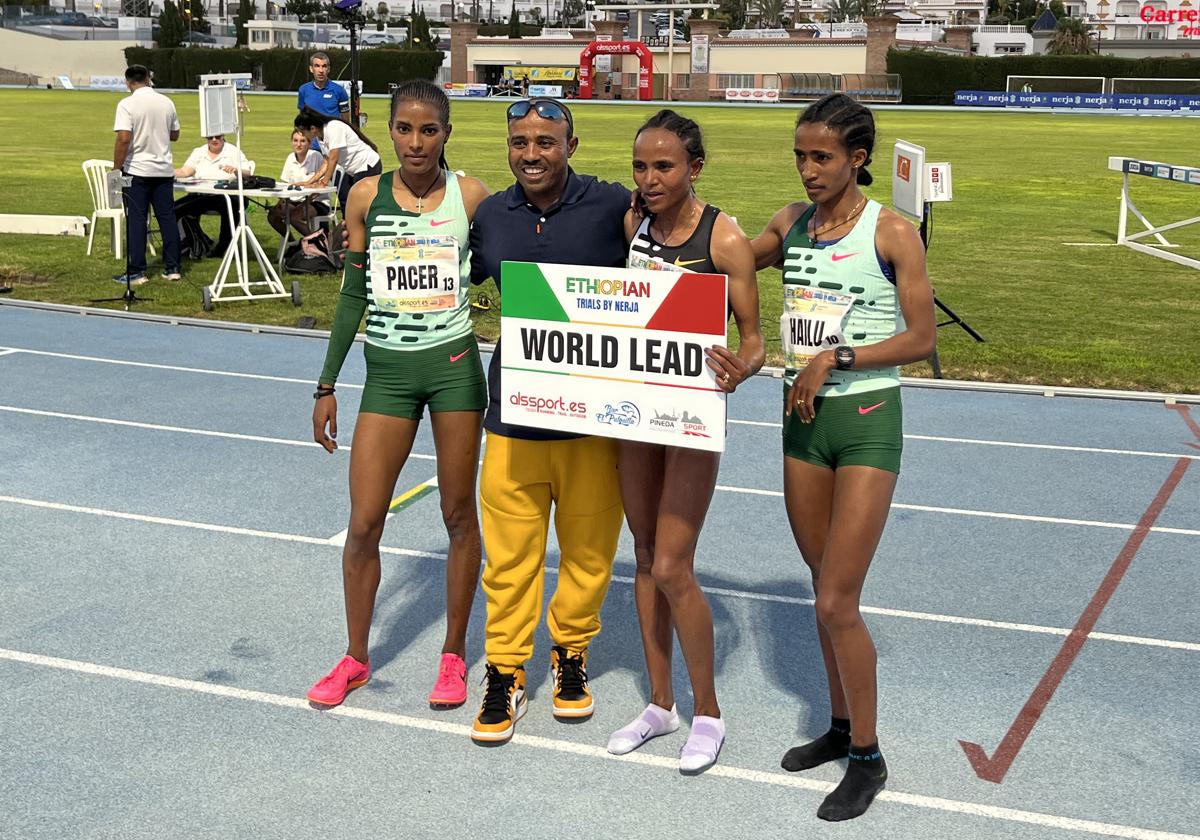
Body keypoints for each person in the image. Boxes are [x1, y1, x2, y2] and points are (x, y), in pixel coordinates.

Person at [750, 93, 936, 821]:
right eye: (800, 155)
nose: (807, 169)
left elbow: (921, 338)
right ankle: (836, 726)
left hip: (863, 421)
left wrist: (841, 355)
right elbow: (719, 258)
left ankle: (869, 756)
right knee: (817, 583)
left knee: (837, 599)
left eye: (821, 156)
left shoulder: (893, 232)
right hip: (801, 424)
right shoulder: (791, 224)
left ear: (857, 158)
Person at [307, 80, 492, 711]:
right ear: (389, 131)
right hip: (386, 374)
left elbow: (513, 271)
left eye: (429, 130)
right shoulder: (365, 196)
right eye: (405, 129)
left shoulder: (470, 196)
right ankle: (356, 656)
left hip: (455, 371)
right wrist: (327, 384)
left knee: (458, 515)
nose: (416, 142)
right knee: (363, 522)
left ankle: (453, 654)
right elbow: (353, 297)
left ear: (446, 133)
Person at [605, 110, 763, 774]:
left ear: (694, 168)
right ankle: (660, 705)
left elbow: (755, 339)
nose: (650, 178)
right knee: (642, 556)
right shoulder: (630, 224)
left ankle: (709, 713)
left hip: (691, 418)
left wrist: (742, 365)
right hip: (636, 410)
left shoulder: (725, 238)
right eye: (641, 166)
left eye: (664, 166)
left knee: (673, 566)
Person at [467, 98, 629, 745]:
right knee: (508, 562)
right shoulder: (490, 217)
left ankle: (570, 655)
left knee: (589, 556)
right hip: (513, 416)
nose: (532, 154)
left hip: (593, 421)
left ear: (572, 144)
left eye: (546, 142)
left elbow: (671, 252)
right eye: (520, 142)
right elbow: (454, 277)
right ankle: (505, 672)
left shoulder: (614, 206)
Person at [111, 64, 182, 285]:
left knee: (137, 220)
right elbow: (175, 134)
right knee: (167, 219)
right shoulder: (166, 102)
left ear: (128, 82)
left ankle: (137, 271)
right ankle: (173, 268)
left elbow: (123, 138)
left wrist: (116, 168)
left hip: (138, 170)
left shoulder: (127, 104)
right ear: (149, 79)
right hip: (163, 169)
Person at [172, 134, 256, 258]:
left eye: (218, 137)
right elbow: (185, 171)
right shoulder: (199, 152)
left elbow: (247, 173)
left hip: (227, 195)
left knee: (231, 207)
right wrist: (167, 172)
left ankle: (223, 247)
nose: (214, 140)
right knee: (173, 209)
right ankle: (188, 243)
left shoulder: (233, 151)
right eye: (210, 138)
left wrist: (236, 170)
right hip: (201, 195)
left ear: (223, 137)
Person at [295, 108, 382, 212]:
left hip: (367, 165)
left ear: (313, 128)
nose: (302, 135)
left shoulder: (333, 127)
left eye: (302, 132)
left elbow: (334, 158)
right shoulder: (320, 137)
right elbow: (326, 161)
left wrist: (323, 183)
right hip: (353, 170)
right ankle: (349, 226)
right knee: (348, 202)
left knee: (360, 205)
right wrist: (309, 182)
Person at [268, 128, 327, 239]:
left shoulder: (316, 156)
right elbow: (286, 186)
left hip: (317, 201)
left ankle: (318, 243)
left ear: (309, 143)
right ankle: (292, 243)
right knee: (273, 215)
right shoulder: (290, 158)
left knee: (295, 217)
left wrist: (305, 199)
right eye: (295, 141)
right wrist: (281, 202)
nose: (298, 144)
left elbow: (321, 186)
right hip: (295, 201)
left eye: (302, 141)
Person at [297, 51, 349, 153]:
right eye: (317, 66)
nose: (321, 70)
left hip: (333, 145)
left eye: (324, 66)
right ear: (311, 69)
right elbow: (302, 119)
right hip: (312, 147)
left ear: (328, 69)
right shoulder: (303, 90)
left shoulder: (339, 91)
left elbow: (346, 121)